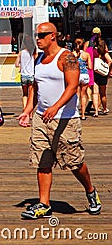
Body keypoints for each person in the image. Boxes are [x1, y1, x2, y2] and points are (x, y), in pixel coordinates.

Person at [18, 22, 101, 219]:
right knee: (42, 160)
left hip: (65, 119)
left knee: (74, 162)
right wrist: (28, 110)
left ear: (53, 36)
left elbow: (72, 86)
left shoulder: (67, 57)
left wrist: (55, 107)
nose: (38, 38)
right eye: (36, 34)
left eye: (42, 35)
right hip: (41, 118)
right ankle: (43, 204)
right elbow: (35, 89)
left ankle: (90, 191)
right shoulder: (38, 58)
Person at [15, 35, 37, 110]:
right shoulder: (33, 52)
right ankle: (29, 112)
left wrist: (21, 65)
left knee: (25, 94)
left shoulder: (21, 52)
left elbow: (16, 64)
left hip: (23, 76)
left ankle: (25, 108)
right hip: (32, 75)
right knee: (31, 94)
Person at [72, 38, 92, 120]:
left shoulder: (72, 54)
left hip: (76, 75)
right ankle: (83, 114)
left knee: (76, 94)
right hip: (85, 75)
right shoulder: (86, 54)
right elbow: (90, 67)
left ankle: (76, 113)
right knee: (83, 95)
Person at [93, 37, 112, 116]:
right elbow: (110, 61)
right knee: (103, 93)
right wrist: (106, 67)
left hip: (95, 72)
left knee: (95, 93)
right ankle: (104, 109)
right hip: (103, 74)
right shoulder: (105, 53)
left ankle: (96, 110)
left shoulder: (94, 52)